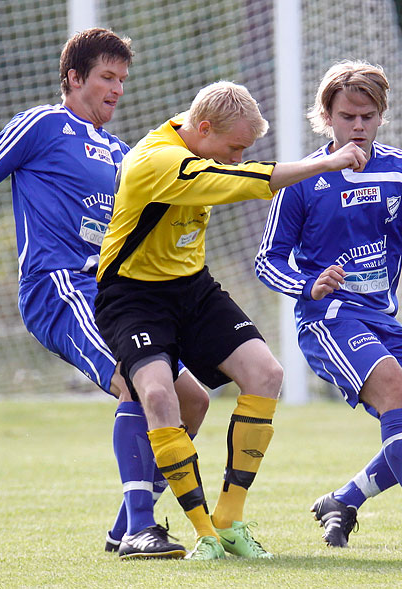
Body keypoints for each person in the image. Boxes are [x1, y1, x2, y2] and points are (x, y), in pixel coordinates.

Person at [0, 27, 210, 560]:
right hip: (58, 285)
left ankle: (124, 528)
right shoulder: (45, 124)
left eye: (122, 79)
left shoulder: (121, 151)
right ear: (73, 78)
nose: (116, 88)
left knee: (193, 401)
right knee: (136, 384)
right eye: (106, 77)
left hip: (111, 293)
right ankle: (141, 529)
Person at [93, 80, 367, 560]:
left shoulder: (201, 140)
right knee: (157, 394)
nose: (238, 158)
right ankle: (200, 535)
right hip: (133, 296)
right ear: (202, 129)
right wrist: (324, 161)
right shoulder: (156, 161)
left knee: (266, 373)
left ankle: (228, 519)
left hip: (191, 288)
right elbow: (244, 183)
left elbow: (232, 170)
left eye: (244, 149)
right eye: (234, 148)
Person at [255, 60, 402, 550]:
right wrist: (309, 285)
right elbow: (267, 261)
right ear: (327, 117)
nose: (357, 126)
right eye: (346, 116)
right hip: (328, 320)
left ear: (381, 116)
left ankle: (343, 500)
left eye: (367, 116)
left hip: (381, 320)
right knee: (400, 396)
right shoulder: (302, 180)